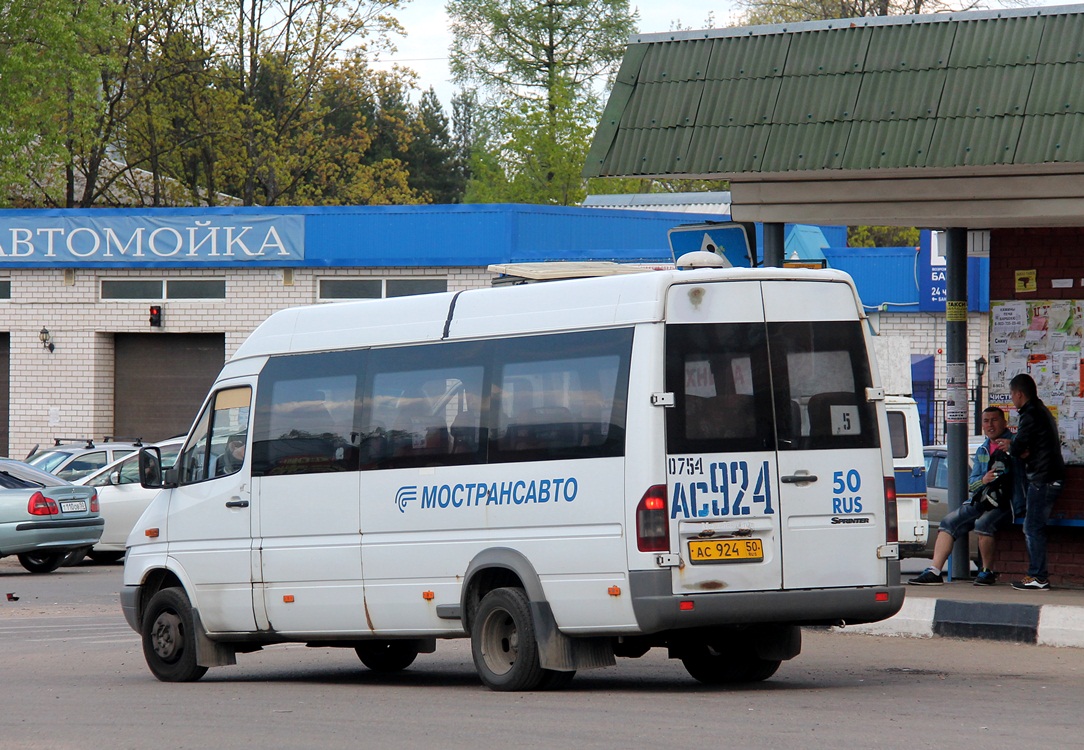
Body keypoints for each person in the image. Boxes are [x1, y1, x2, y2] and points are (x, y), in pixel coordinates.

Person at [909, 406, 1022, 586]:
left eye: (994, 420)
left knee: (983, 523)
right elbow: (973, 482)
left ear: (1004, 422)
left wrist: (1012, 452)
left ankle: (986, 571)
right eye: (986, 421)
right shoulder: (982, 450)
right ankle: (934, 571)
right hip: (984, 499)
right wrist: (984, 480)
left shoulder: (1015, 444)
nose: (990, 425)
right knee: (949, 521)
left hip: (1007, 502)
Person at [995, 373, 1065, 591]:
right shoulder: (1040, 410)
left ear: (1018, 393)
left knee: (1032, 527)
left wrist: (1011, 446)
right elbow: (1031, 445)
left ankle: (1038, 576)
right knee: (1034, 526)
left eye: (1012, 395)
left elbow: (1020, 445)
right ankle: (1037, 574)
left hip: (1042, 479)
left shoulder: (1030, 414)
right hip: (1050, 476)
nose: (1012, 399)